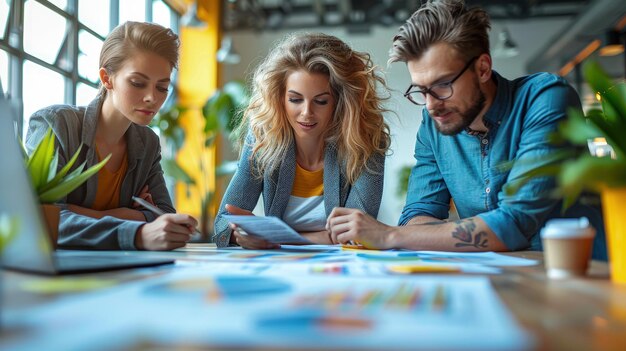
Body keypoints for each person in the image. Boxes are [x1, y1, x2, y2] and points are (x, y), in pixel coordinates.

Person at [326, 0, 589, 252]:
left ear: (483, 68)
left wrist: (388, 235)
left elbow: (515, 222)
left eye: (443, 85)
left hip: (579, 280)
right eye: (421, 90)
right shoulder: (433, 124)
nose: (430, 105)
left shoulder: (545, 98)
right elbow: (419, 213)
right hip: (498, 279)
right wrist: (415, 232)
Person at [25, 21, 197, 251]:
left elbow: (163, 214)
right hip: (55, 273)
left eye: (162, 87)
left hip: (123, 272)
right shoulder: (55, 124)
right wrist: (131, 224)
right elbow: (39, 219)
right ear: (107, 79)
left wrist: (83, 214)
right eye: (138, 83)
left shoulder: (147, 143)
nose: (151, 98)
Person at [213, 32, 391, 248]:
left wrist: (275, 238)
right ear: (279, 98)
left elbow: (357, 235)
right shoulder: (263, 138)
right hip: (280, 269)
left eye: (321, 101)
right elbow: (222, 223)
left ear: (341, 102)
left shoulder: (366, 141)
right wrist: (239, 234)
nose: (306, 113)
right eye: (295, 99)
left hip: (341, 272)